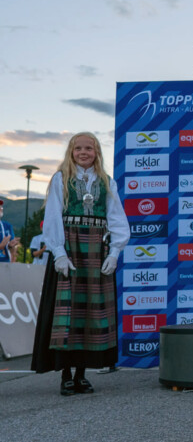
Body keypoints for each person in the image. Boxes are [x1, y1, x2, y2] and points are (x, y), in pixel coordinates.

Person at [31, 132, 130, 396]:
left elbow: (116, 217)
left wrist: (114, 252)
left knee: (91, 314)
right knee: (68, 312)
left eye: (89, 148)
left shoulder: (107, 182)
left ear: (97, 152)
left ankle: (82, 375)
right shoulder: (61, 178)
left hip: (96, 249)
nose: (83, 152)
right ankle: (66, 375)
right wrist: (58, 252)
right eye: (78, 148)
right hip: (70, 247)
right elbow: (53, 214)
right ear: (71, 152)